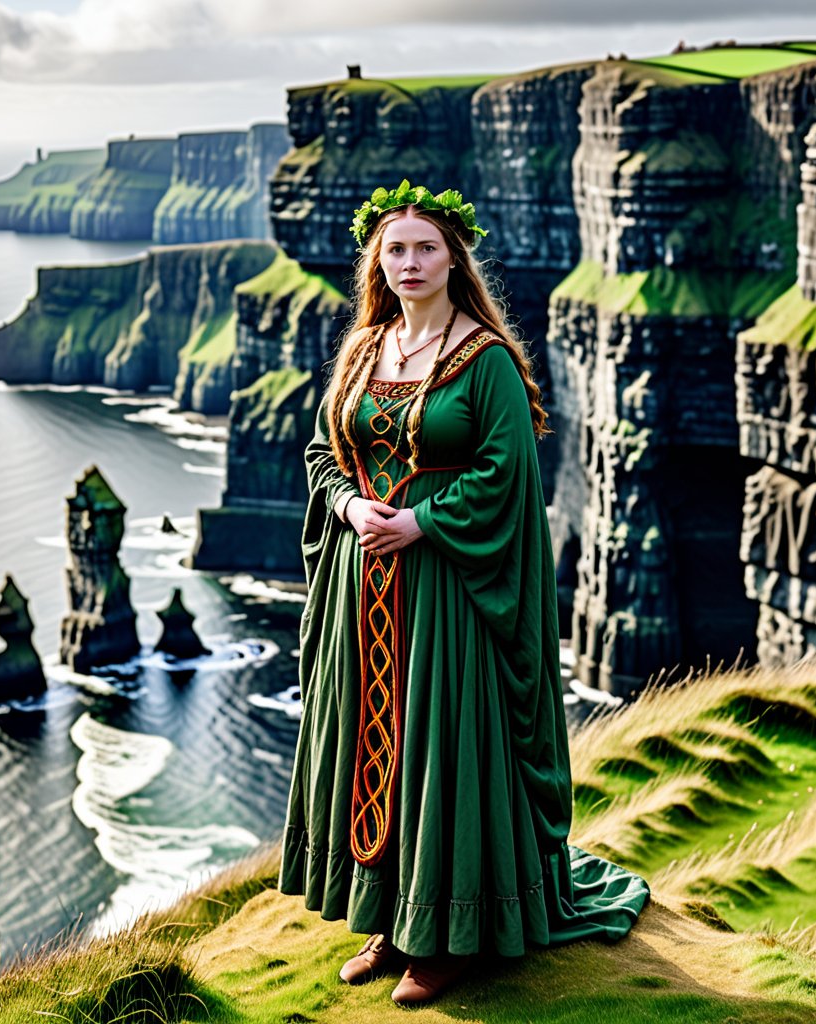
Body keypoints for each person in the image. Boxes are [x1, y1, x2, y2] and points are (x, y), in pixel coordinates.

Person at [278, 180, 650, 1007]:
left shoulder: (487, 361)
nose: (410, 263)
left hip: (447, 586)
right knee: (375, 743)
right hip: (361, 585)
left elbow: (508, 474)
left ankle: (450, 938)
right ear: (378, 259)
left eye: (427, 248)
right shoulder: (363, 349)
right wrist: (346, 504)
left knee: (440, 748)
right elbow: (322, 453)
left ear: (454, 260)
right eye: (396, 249)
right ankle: (391, 915)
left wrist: (418, 524)